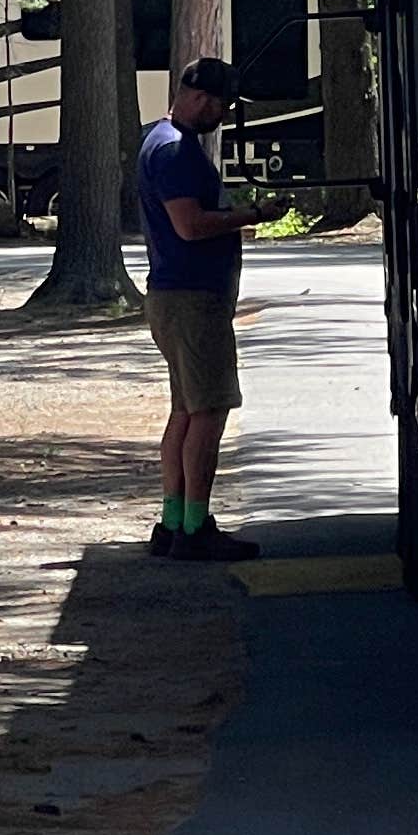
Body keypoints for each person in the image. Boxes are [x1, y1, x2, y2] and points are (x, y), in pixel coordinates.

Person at [139, 57, 260, 561]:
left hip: (172, 295)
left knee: (186, 412)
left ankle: (172, 522)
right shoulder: (175, 153)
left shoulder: (162, 140)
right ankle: (195, 527)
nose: (213, 109)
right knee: (209, 412)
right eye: (206, 98)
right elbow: (189, 225)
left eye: (222, 103)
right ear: (184, 91)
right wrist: (249, 216)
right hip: (193, 300)